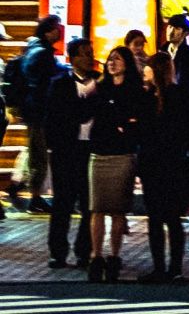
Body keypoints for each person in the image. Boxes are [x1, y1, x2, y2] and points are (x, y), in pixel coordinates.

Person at [80, 45, 148, 282]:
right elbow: (85, 114)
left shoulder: (135, 90)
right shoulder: (99, 87)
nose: (112, 63)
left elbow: (136, 121)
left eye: (117, 59)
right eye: (110, 59)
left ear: (127, 64)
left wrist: (125, 124)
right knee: (97, 208)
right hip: (99, 153)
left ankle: (114, 256)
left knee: (118, 209)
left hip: (123, 154)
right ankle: (96, 256)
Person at [138, 50, 189, 281]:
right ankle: (174, 268)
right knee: (171, 218)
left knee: (157, 218)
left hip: (157, 164)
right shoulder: (177, 95)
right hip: (173, 163)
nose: (144, 72)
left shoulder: (154, 98)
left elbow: (143, 131)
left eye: (147, 68)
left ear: (156, 70)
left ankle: (161, 268)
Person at [44, 35, 97, 270]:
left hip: (92, 150)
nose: (90, 57)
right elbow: (53, 119)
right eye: (84, 53)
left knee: (89, 204)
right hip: (66, 151)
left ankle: (84, 251)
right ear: (73, 58)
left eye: (91, 52)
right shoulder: (59, 84)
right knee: (62, 204)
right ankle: (58, 252)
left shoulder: (100, 83)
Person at [10, 15, 64, 214]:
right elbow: (41, 82)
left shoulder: (36, 50)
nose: (59, 31)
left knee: (35, 152)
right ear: (48, 31)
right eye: (56, 28)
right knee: (39, 156)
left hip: (34, 110)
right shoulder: (41, 53)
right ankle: (35, 198)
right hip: (37, 111)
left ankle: (22, 186)